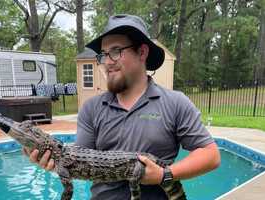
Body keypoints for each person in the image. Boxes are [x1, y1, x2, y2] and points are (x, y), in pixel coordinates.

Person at [24, 14, 221, 199]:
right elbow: (77, 162)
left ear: (142, 52)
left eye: (116, 51)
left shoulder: (175, 102)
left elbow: (211, 155)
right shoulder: (91, 108)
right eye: (103, 54)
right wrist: (53, 161)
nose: (107, 62)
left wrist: (164, 174)